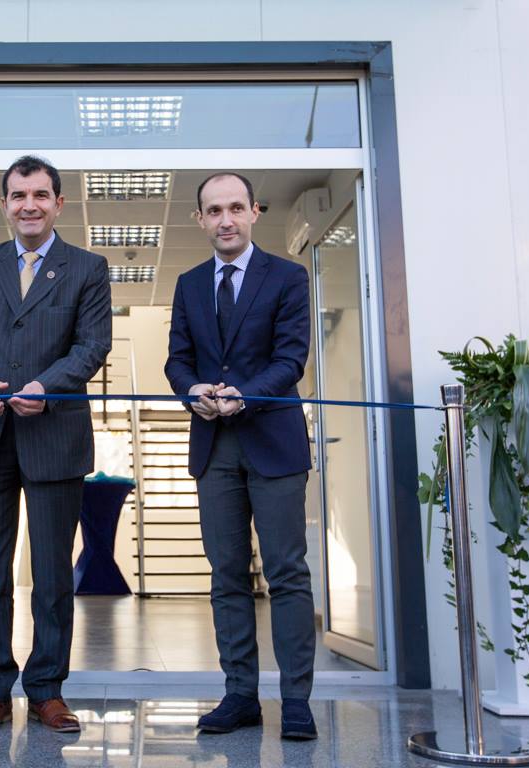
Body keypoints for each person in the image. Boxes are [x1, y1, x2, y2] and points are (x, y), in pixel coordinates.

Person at [0, 155, 112, 736]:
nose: (29, 205)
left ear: (59, 203)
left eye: (40, 195)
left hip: (54, 437)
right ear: (5, 204)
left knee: (53, 575)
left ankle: (46, 690)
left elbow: (92, 346)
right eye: (18, 195)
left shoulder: (87, 268)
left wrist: (48, 386)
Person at [164, 172, 317, 739]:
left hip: (273, 442)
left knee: (286, 573)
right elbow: (178, 358)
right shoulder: (188, 283)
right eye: (213, 210)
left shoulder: (288, 276)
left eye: (235, 208)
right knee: (226, 575)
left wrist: (244, 396)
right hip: (214, 446)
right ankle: (240, 696)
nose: (225, 220)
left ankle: (296, 699)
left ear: (254, 212)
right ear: (200, 219)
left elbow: (291, 358)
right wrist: (191, 390)